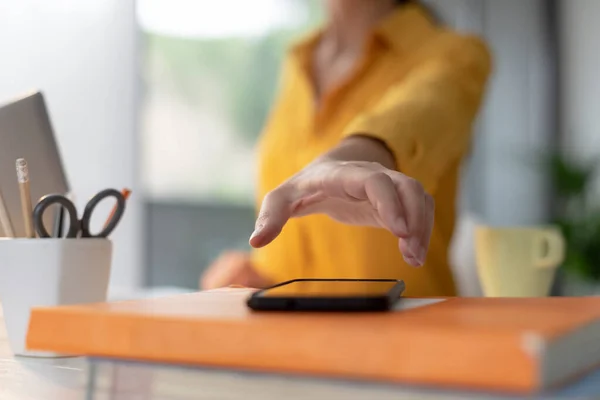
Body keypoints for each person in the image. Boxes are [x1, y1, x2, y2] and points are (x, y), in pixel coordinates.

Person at [201, 0, 492, 296]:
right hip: (292, 336)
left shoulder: (456, 55)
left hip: (408, 335)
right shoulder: (297, 61)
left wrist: (345, 159)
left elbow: (414, 115)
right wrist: (257, 280)